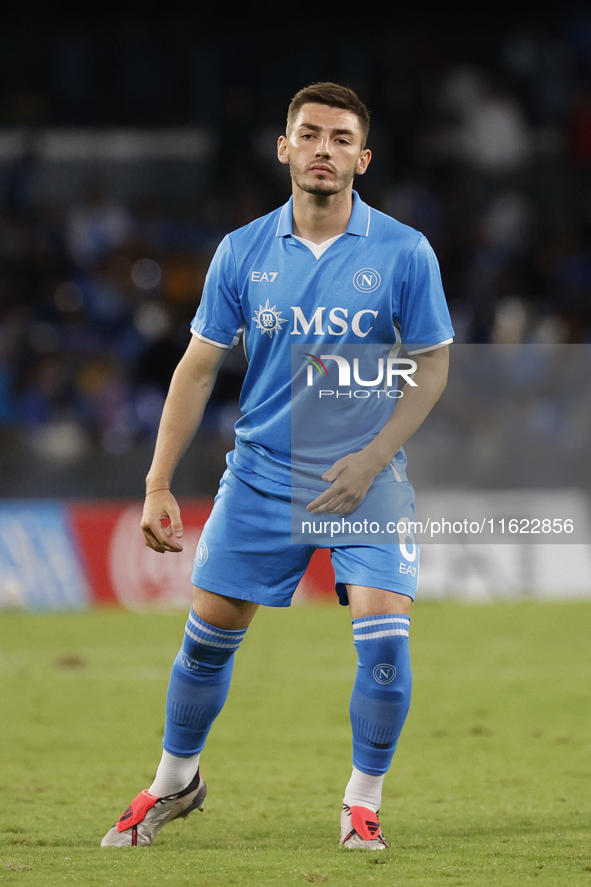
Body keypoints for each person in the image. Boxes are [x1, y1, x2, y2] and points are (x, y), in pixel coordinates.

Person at [101, 82, 454, 850]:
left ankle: (361, 802)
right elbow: (196, 369)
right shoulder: (241, 250)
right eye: (309, 133)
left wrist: (372, 457)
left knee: (385, 644)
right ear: (283, 148)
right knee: (205, 641)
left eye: (338, 138)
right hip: (261, 474)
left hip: (367, 479)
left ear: (361, 157)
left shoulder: (403, 250)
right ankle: (173, 780)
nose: (322, 148)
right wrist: (159, 481)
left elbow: (431, 366)